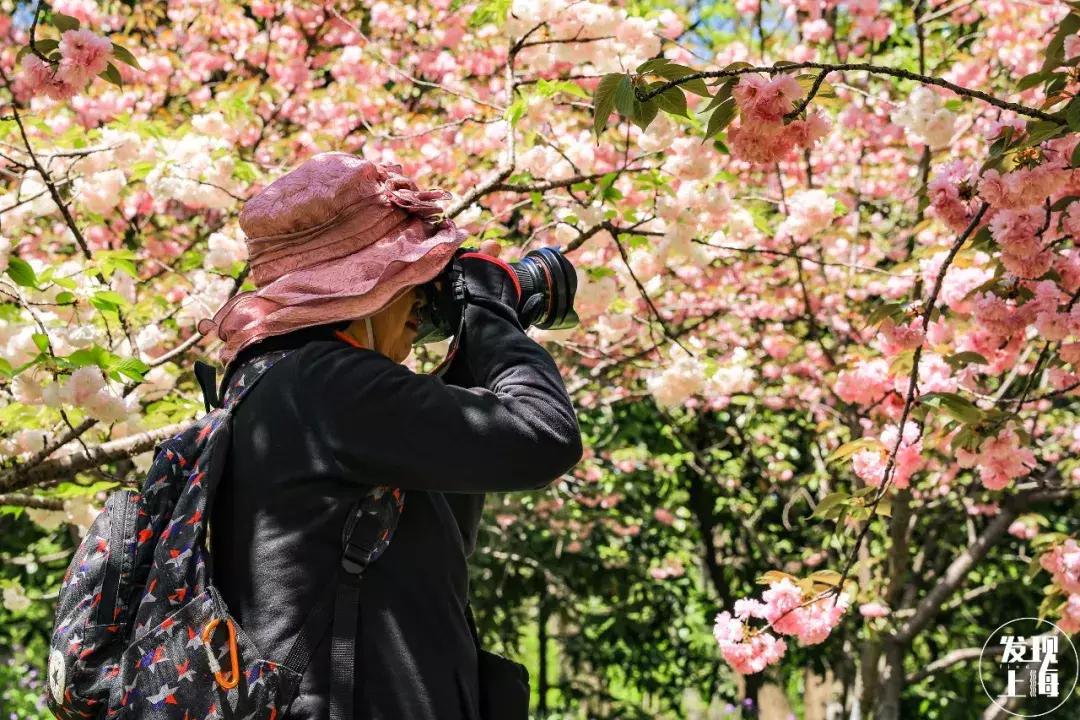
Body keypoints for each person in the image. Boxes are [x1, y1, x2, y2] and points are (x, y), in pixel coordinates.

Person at [196, 152, 584, 719]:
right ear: (360, 290)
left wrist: (466, 358)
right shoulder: (328, 385)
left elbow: (445, 530)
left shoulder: (282, 384)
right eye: (414, 277)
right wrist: (485, 311)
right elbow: (544, 435)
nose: (424, 296)